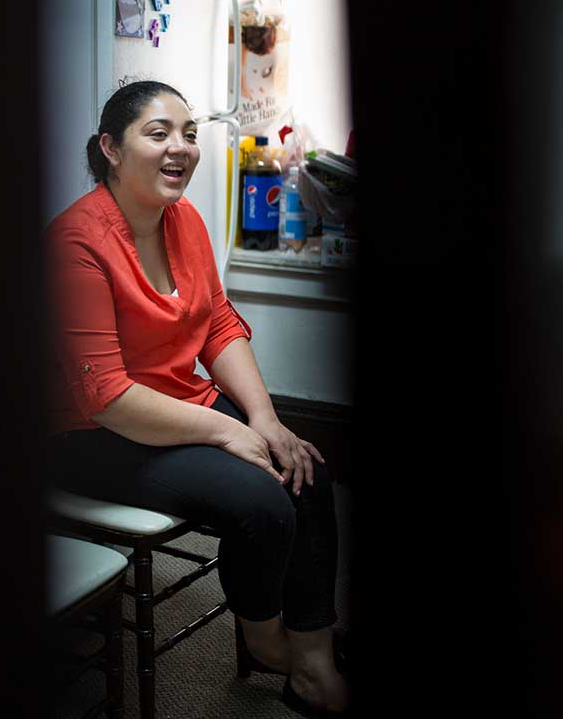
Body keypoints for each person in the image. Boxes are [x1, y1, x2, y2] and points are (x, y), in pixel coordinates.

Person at [43, 81, 347, 717]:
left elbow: (217, 325)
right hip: (91, 435)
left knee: (304, 470)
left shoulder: (184, 221)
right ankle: (267, 642)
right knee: (262, 502)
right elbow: (106, 397)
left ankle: (314, 664)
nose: (179, 147)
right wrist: (229, 431)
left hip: (177, 404)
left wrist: (264, 418)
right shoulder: (75, 242)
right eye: (158, 134)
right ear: (111, 149)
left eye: (188, 134)